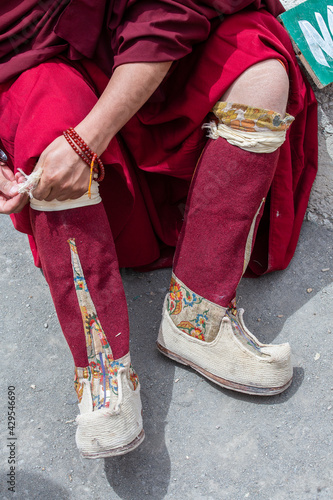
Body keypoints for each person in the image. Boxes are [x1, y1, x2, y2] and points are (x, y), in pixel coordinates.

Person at [0, 0, 317, 458]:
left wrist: (86, 139)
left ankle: (196, 320)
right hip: (50, 66)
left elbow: (169, 13)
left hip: (156, 58)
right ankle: (104, 375)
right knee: (48, 117)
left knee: (260, 66)